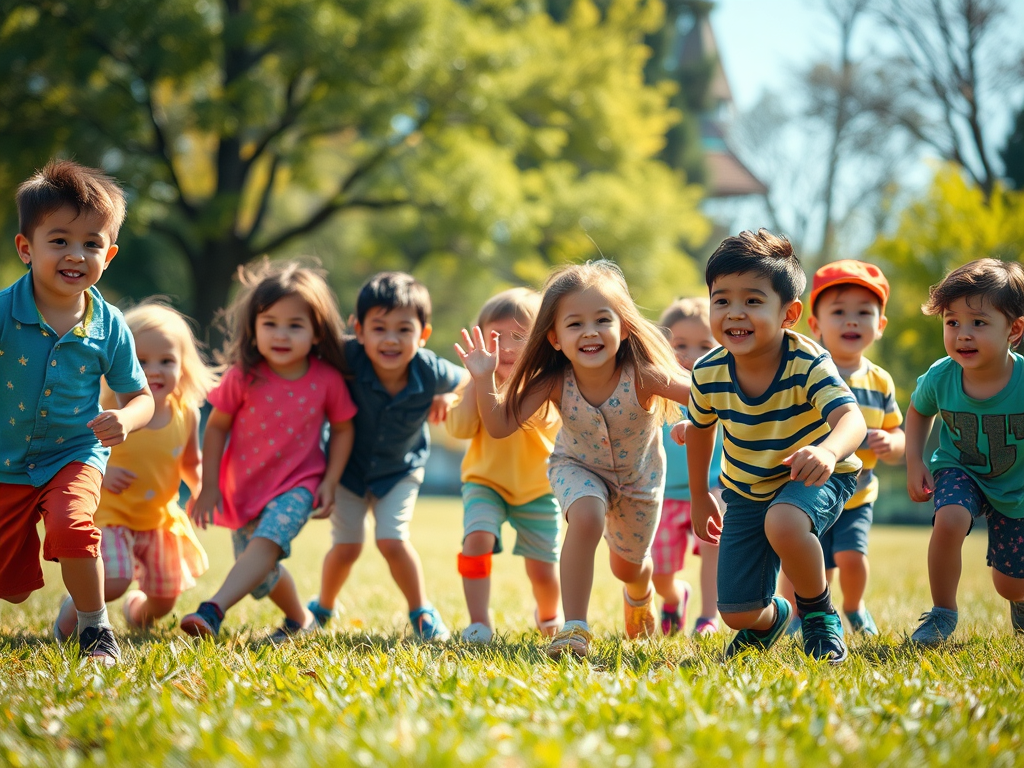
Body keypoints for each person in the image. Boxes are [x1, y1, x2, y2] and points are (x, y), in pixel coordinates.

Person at [456, 260, 691, 659]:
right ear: (554, 338)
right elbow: (499, 425)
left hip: (639, 479)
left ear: (625, 327)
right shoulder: (552, 381)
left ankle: (640, 594)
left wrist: (695, 424)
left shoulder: (644, 375)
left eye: (602, 319)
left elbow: (708, 398)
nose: (590, 332)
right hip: (576, 467)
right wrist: (483, 380)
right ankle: (575, 627)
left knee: (628, 569)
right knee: (585, 516)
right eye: (575, 324)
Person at [678, 229, 867, 664]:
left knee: (784, 521)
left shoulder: (807, 362)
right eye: (721, 300)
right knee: (738, 613)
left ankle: (818, 614)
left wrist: (827, 451)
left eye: (753, 301)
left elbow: (850, 418)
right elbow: (701, 429)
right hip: (746, 490)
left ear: (789, 313)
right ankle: (777, 615)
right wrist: (698, 495)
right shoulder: (707, 373)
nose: (734, 313)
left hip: (820, 475)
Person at [0, 159, 154, 665]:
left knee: (72, 527)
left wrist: (125, 420)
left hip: (75, 453)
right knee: (12, 587)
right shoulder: (5, 312)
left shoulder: (109, 326)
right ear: (27, 248)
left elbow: (141, 397)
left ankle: (95, 629)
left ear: (108, 256)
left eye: (91, 244)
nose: (76, 255)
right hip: (8, 462)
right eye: (60, 240)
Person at [180, 260, 356, 642]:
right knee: (262, 571)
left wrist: (329, 481)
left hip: (299, 484)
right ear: (254, 328)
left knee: (267, 544)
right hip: (244, 487)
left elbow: (343, 430)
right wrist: (209, 486)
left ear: (316, 332)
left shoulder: (327, 380)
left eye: (295, 325)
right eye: (270, 322)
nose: (281, 334)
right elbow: (216, 429)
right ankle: (299, 621)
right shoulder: (243, 376)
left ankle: (213, 609)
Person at [309, 272, 464, 641]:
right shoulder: (347, 357)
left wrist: (449, 396)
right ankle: (322, 607)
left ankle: (422, 612)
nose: (391, 339)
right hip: (347, 470)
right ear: (359, 330)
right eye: (379, 328)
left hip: (400, 470)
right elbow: (305, 359)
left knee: (392, 539)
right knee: (346, 547)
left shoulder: (431, 370)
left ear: (422, 335)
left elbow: (470, 380)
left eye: (404, 330)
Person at [54, 302, 218, 637]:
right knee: (112, 581)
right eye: (141, 361)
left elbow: (189, 461)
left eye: (166, 361)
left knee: (162, 601)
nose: (154, 371)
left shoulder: (186, 413)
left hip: (157, 516)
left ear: (183, 367)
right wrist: (104, 471)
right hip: (111, 514)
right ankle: (71, 615)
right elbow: (75, 451)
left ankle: (135, 610)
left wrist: (200, 489)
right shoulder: (107, 407)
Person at [779, 260, 905, 638]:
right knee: (802, 559)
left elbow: (899, 437)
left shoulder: (880, 381)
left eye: (864, 313)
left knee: (852, 557)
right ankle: (796, 613)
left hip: (858, 493)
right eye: (839, 312)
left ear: (880, 326)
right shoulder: (806, 372)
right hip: (809, 489)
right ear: (814, 325)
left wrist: (892, 444)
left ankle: (854, 605)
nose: (851, 321)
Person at [906, 258, 1024, 645]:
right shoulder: (942, 375)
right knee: (951, 518)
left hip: (1016, 484)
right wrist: (914, 461)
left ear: (1014, 329)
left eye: (978, 322)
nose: (963, 335)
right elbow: (919, 410)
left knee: (1010, 584)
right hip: (960, 470)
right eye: (952, 322)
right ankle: (942, 614)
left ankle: (1019, 601)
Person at [446, 288, 563, 643]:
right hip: (485, 481)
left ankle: (548, 615)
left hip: (537, 487)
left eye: (519, 337)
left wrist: (513, 383)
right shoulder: (472, 384)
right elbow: (460, 428)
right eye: (495, 337)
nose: (507, 348)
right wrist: (479, 382)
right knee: (477, 538)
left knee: (542, 569)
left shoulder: (546, 384)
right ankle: (479, 621)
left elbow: (542, 422)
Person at [653, 297, 723, 637]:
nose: (692, 355)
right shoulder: (655, 390)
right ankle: (673, 595)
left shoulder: (723, 389)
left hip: (714, 486)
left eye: (705, 346)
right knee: (659, 571)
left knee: (714, 545)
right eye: (680, 345)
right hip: (663, 493)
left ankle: (708, 616)